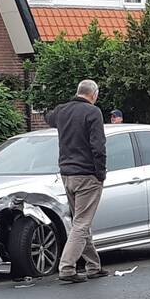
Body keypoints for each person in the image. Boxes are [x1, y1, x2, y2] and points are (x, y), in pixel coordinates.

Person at [45, 80, 109, 283]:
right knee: (82, 223)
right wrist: (100, 173)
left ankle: (93, 266)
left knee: (80, 221)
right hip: (87, 174)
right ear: (94, 94)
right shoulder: (93, 112)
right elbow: (98, 146)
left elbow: (48, 117)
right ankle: (67, 267)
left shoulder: (62, 111)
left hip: (67, 174)